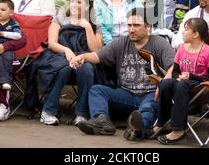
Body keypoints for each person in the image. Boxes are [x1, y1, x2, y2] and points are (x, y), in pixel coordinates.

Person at [71, 8, 175, 140]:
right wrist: (83, 57)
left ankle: (138, 129)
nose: (131, 29)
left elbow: (173, 66)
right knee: (97, 91)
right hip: (126, 94)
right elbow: (98, 56)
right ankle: (102, 121)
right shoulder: (122, 42)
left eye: (136, 25)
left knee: (148, 109)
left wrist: (164, 82)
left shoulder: (159, 43)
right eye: (129, 25)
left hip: (150, 94)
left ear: (148, 27)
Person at [39, 0, 102, 126]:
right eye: (72, 1)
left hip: (84, 56)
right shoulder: (60, 19)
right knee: (64, 68)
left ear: (87, 5)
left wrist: (87, 27)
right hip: (59, 55)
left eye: (79, 2)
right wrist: (67, 51)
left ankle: (81, 114)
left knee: (87, 69)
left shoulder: (94, 23)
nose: (74, 4)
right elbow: (52, 43)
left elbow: (96, 49)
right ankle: (48, 111)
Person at [156, 18, 209, 145]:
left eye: (186, 29)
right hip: (182, 84)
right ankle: (164, 122)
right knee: (165, 83)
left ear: (195, 34)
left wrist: (192, 77)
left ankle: (178, 130)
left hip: (201, 86)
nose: (182, 32)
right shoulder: (182, 49)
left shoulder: (208, 51)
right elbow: (175, 71)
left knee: (182, 84)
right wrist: (179, 76)